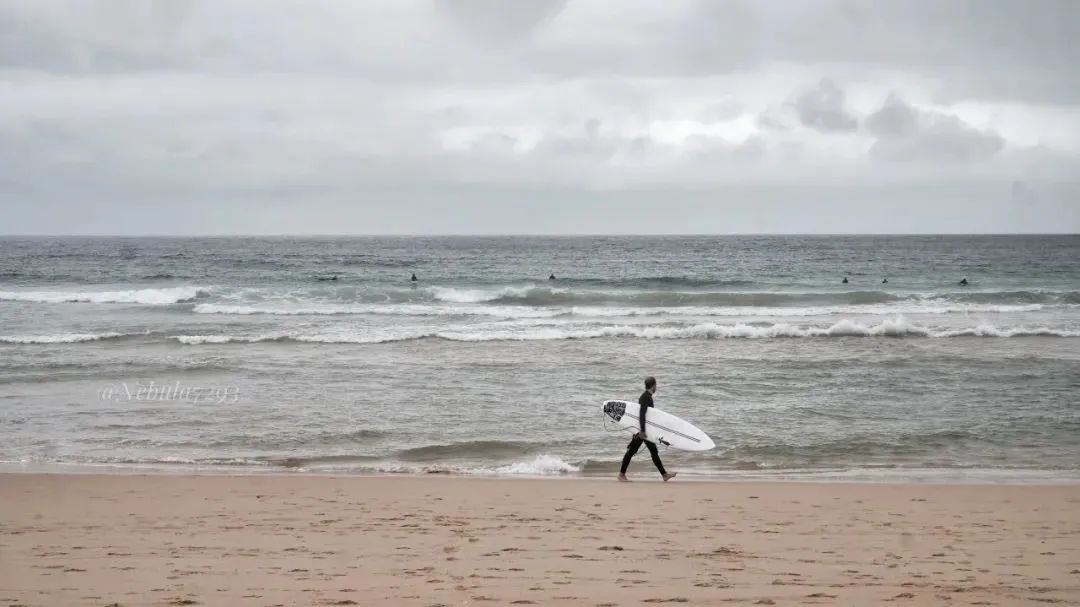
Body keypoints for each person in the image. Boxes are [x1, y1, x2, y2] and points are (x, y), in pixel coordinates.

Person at [618, 376, 676, 482]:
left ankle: (664, 475)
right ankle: (621, 475)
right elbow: (642, 414)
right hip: (642, 431)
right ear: (653, 385)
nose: (656, 387)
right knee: (632, 451)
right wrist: (643, 431)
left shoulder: (647, 396)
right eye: (656, 385)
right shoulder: (645, 397)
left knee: (652, 451)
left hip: (644, 430)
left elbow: (649, 416)